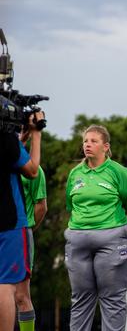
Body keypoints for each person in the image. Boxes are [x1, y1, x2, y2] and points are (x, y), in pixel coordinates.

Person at [64, 125, 127, 331]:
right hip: (78, 241)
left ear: (106, 146)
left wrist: (118, 233)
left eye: (93, 141)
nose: (87, 144)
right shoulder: (75, 174)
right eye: (85, 141)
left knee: (112, 299)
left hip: (112, 239)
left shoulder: (118, 172)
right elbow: (71, 207)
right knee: (80, 299)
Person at [0, 111, 43, 331]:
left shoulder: (10, 142)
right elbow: (32, 170)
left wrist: (20, 140)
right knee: (5, 286)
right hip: (8, 222)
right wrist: (36, 134)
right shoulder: (5, 139)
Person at [14, 130, 48, 331]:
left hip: (18, 233)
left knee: (20, 295)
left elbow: (41, 206)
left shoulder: (34, 171)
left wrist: (27, 229)